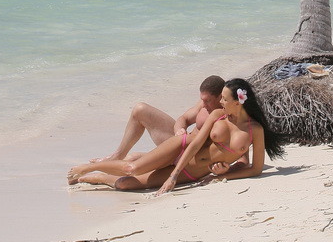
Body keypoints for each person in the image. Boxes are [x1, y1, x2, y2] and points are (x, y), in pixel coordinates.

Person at [68, 77, 284, 192]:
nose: (221, 103)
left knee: (126, 184)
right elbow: (195, 142)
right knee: (132, 168)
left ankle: (100, 178)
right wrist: (172, 176)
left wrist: (222, 175)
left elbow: (255, 168)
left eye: (225, 100)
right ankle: (88, 167)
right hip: (181, 148)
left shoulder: (255, 130)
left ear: (237, 103)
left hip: (194, 173)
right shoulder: (218, 114)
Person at [91, 75, 225, 162]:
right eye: (202, 99)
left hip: (191, 157)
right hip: (180, 142)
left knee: (133, 159)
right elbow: (183, 118)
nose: (204, 104)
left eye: (208, 100)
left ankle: (97, 169)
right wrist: (180, 129)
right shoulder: (203, 105)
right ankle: (117, 155)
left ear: (220, 97)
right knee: (140, 109)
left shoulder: (229, 114)